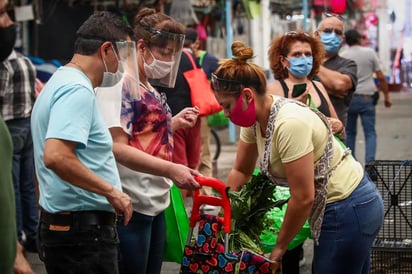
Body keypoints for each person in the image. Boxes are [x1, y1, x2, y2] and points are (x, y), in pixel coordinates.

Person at [212, 40, 384, 274]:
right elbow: (241, 171)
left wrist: (279, 250)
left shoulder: (289, 123)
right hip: (334, 206)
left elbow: (303, 197)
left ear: (247, 96)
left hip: (348, 207)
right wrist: (225, 217)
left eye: (227, 106)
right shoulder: (252, 120)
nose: (225, 113)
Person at [95, 8, 201, 274]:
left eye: (173, 54)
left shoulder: (147, 86)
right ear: (141, 46)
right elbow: (117, 147)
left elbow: (142, 133)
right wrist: (172, 169)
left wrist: (173, 122)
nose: (169, 60)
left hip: (155, 201)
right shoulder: (119, 86)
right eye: (165, 52)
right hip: (132, 205)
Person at [31, 11, 133, 274]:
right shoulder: (76, 90)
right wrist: (111, 192)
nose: (123, 66)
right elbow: (55, 156)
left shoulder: (59, 80)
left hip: (69, 229)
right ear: (107, 49)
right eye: (123, 56)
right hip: (83, 237)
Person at [267, 30, 347, 273]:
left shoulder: (318, 86)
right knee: (290, 248)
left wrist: (335, 124)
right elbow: (268, 136)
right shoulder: (275, 89)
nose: (304, 58)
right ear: (283, 60)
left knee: (325, 244)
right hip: (290, 181)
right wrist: (294, 111)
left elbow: (339, 127)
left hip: (325, 179)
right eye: (297, 54)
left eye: (308, 54)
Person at [0, 1, 36, 273]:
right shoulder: (25, 62)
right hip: (26, 126)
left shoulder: (7, 65)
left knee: (10, 188)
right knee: (25, 185)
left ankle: (19, 236)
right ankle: (31, 233)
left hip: (10, 127)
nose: (8, 23)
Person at [152, 25, 203, 200]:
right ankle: (195, 206)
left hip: (175, 116)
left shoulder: (161, 62)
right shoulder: (190, 58)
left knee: (180, 167)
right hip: (193, 115)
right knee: (193, 164)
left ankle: (183, 211)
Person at [341, 29, 392, 165]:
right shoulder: (369, 53)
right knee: (370, 133)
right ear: (358, 39)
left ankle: (352, 165)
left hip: (350, 99)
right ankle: (371, 166)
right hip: (367, 99)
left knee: (350, 133)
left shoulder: (343, 55)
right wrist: (387, 96)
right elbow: (380, 77)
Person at [184, 27, 220, 179]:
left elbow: (222, 79)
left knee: (203, 151)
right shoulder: (179, 57)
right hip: (182, 111)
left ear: (196, 44)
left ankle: (206, 192)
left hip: (200, 112)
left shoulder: (208, 60)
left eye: (188, 44)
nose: (185, 47)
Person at [315, 13, 358, 131]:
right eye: (328, 31)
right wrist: (328, 87)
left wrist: (313, 66)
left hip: (335, 135)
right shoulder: (302, 63)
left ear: (343, 39)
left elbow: (340, 85)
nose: (333, 35)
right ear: (316, 35)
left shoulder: (348, 64)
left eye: (338, 32)